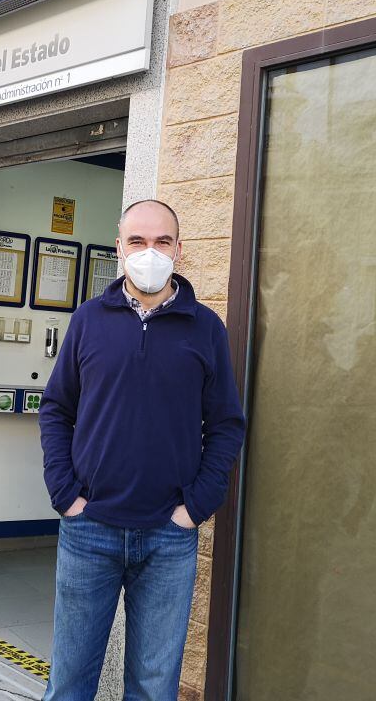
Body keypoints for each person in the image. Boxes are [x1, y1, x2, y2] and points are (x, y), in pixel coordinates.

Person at [39, 199, 246, 700]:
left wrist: (194, 507)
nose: (148, 252)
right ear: (119, 249)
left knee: (154, 689)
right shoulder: (89, 321)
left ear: (179, 249)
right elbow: (56, 410)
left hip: (167, 539)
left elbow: (226, 424)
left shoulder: (206, 329)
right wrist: (66, 494)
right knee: (68, 684)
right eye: (137, 241)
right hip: (89, 530)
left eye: (161, 242)